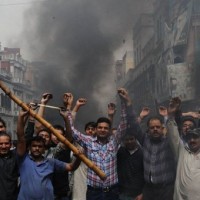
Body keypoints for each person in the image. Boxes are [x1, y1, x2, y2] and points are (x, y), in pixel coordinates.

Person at [68, 88, 131, 200]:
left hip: (112, 191)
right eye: (100, 128)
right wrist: (70, 107)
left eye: (106, 128)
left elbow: (124, 122)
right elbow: (72, 131)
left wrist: (123, 101)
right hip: (94, 192)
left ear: (109, 130)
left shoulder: (114, 142)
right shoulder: (88, 141)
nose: (102, 130)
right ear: (96, 129)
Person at [16, 108, 81, 200]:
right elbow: (21, 138)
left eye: (40, 146)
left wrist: (79, 158)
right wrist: (20, 117)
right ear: (29, 148)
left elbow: (71, 167)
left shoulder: (51, 162)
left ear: (44, 149)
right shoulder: (23, 160)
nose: (37, 148)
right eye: (34, 146)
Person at [126, 102, 176, 200]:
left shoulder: (169, 142)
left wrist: (166, 117)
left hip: (167, 189)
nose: (155, 129)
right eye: (152, 127)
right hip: (149, 189)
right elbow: (133, 127)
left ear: (162, 128)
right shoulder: (145, 140)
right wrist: (140, 116)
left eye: (158, 127)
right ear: (148, 130)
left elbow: (173, 132)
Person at [167, 98, 200, 200]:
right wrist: (171, 115)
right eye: (190, 137)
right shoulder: (182, 151)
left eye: (195, 137)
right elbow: (173, 134)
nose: (192, 140)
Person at [117, 132, 144, 200]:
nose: (129, 141)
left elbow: (147, 175)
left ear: (136, 139)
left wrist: (143, 193)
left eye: (131, 139)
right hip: (122, 193)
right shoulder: (120, 152)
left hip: (138, 194)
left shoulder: (142, 154)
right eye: (127, 139)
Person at [0, 132, 19, 200]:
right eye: (1, 144)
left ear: (11, 144)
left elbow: (24, 140)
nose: (4, 146)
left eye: (6, 143)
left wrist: (30, 122)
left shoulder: (15, 156)